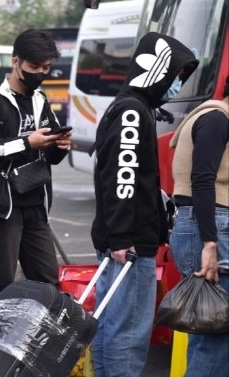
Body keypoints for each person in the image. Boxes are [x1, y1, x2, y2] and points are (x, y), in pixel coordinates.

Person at [90, 32, 198, 377]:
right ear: (157, 69)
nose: (176, 85)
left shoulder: (130, 108)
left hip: (121, 241)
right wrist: (123, 238)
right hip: (130, 244)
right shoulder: (133, 113)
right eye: (175, 75)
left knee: (111, 326)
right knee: (129, 333)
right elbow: (122, 179)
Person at [0, 29, 70, 301]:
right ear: (16, 62)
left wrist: (59, 146)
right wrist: (26, 142)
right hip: (2, 206)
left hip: (35, 201)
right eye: (33, 67)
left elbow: (48, 151)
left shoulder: (40, 100)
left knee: (48, 283)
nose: (40, 73)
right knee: (1, 284)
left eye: (46, 68)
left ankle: (43, 340)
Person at [168, 74, 229, 376]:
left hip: (203, 225)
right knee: (217, 337)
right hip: (211, 227)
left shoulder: (211, 115)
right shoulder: (216, 119)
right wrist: (210, 244)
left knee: (210, 328)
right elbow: (202, 181)